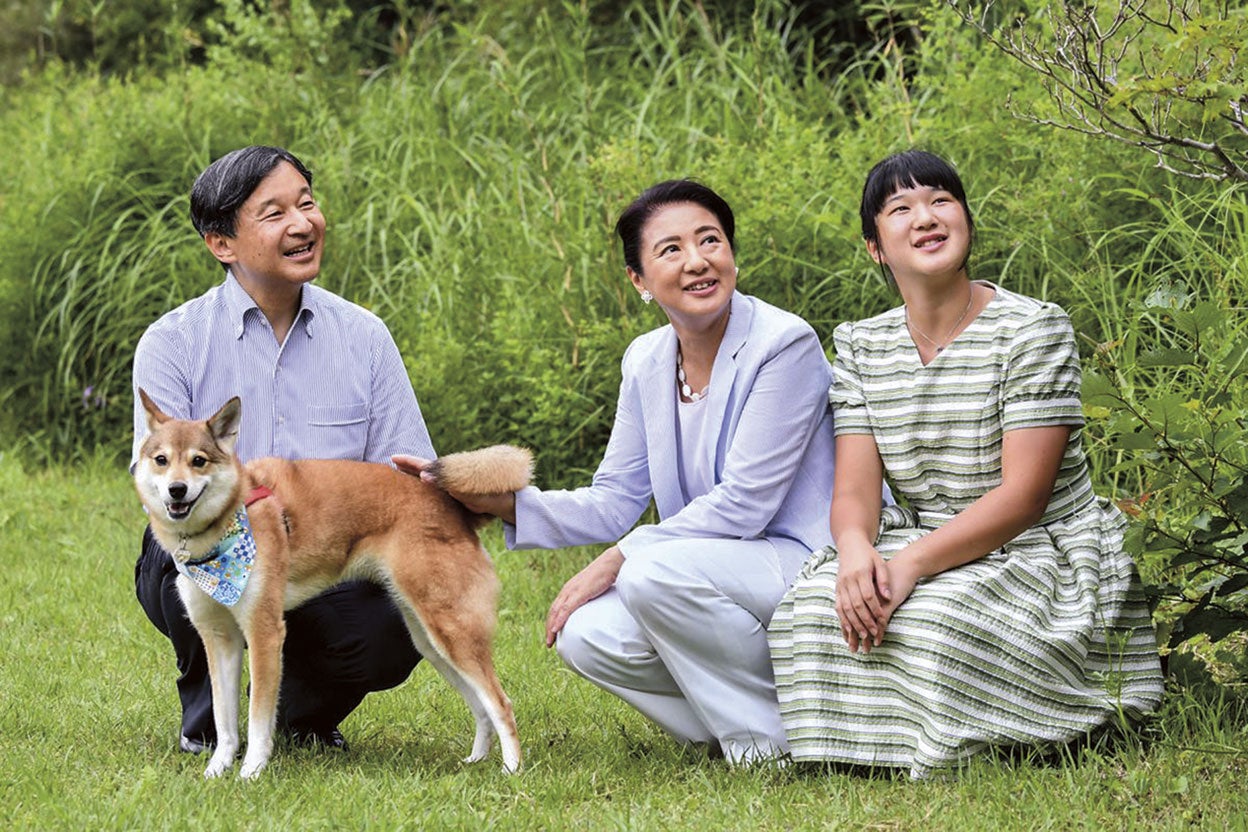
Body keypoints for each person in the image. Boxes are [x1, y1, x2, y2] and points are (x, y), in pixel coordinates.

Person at [397, 180, 840, 764]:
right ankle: (753, 726)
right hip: (706, 569)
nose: (697, 261)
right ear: (639, 279)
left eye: (710, 240)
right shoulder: (646, 360)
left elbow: (746, 502)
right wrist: (501, 504)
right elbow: (614, 498)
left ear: (732, 253)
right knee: (587, 635)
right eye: (671, 250)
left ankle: (765, 746)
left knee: (648, 574)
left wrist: (620, 557)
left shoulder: (784, 344)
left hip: (802, 557)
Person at [767, 149, 1164, 778]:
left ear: (967, 224)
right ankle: (875, 749)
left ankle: (1022, 728)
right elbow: (856, 493)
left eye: (941, 201)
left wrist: (908, 567)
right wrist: (856, 552)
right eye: (901, 209)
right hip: (926, 534)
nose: (926, 217)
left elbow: (1024, 497)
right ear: (875, 247)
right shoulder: (862, 345)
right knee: (813, 608)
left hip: (1038, 548)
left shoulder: (1033, 329)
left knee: (937, 623)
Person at [132, 145, 436, 754]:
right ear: (222, 243)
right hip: (205, 535)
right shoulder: (174, 342)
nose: (302, 224)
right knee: (187, 573)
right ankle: (209, 725)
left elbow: (405, 474)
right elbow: (158, 476)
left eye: (307, 204)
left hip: (323, 552)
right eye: (275, 213)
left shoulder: (365, 338)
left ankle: (300, 717)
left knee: (390, 624)